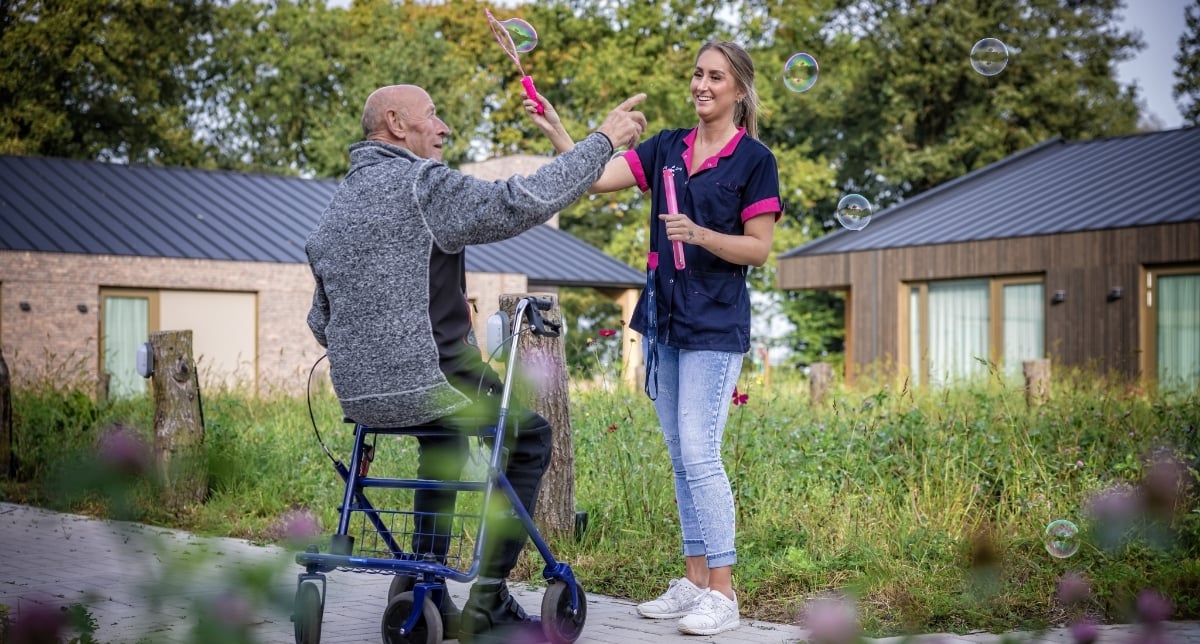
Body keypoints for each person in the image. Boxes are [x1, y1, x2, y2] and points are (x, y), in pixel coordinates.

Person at [305, 84, 647, 644]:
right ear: (395, 123)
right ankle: (487, 597)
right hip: (433, 378)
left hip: (361, 395)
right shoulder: (422, 184)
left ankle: (426, 578)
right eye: (433, 115)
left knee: (441, 440)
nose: (444, 128)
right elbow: (520, 201)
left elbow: (322, 322)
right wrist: (602, 142)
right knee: (530, 436)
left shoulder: (337, 206)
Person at [525, 41, 781, 636]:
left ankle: (724, 592)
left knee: (700, 452)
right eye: (697, 73)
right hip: (664, 321)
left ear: (739, 91)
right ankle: (693, 582)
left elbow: (759, 249)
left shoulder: (754, 160)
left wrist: (699, 234)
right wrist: (562, 130)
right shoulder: (667, 148)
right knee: (680, 457)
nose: (702, 84)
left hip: (715, 326)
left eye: (715, 76)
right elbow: (595, 179)